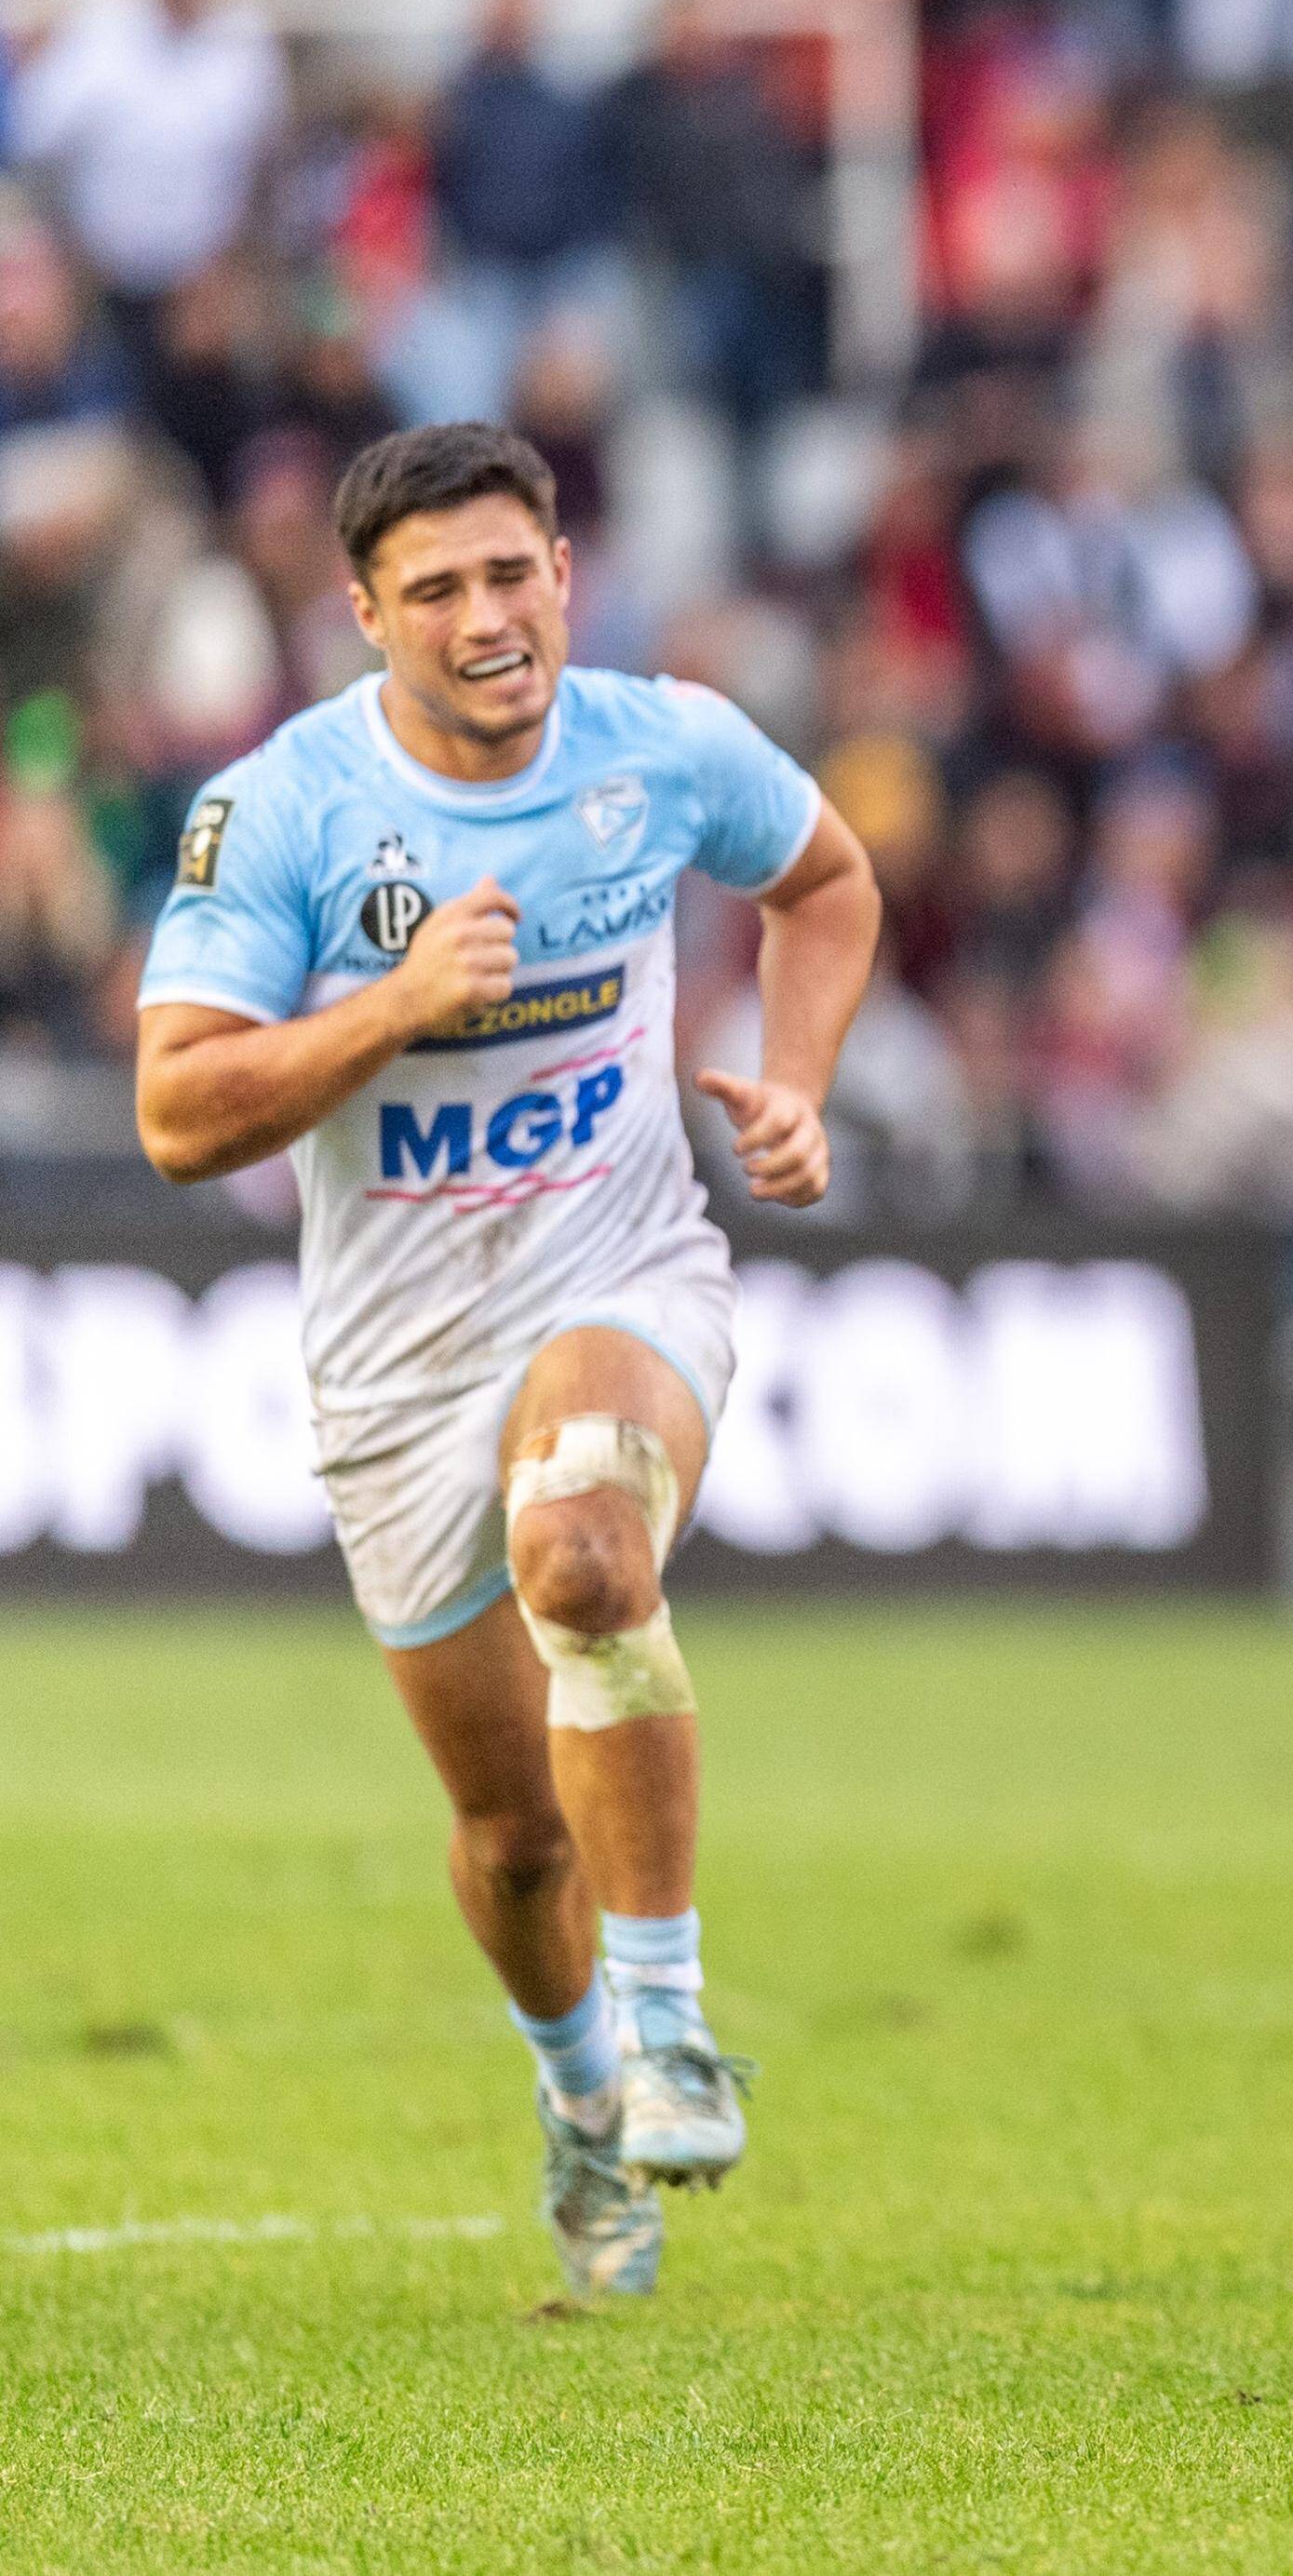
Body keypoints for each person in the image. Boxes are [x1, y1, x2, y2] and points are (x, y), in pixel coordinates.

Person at [128, 423, 883, 2303]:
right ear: (365, 614)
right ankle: (578, 2092)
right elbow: (174, 1110)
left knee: (586, 1546)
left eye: (511, 571)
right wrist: (389, 1002)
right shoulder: (283, 812)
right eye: (437, 588)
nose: (486, 615)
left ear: (564, 568)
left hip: (621, 1268)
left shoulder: (667, 743)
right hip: (395, 1358)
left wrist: (794, 1083)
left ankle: (675, 2021)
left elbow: (830, 882)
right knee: (506, 1834)